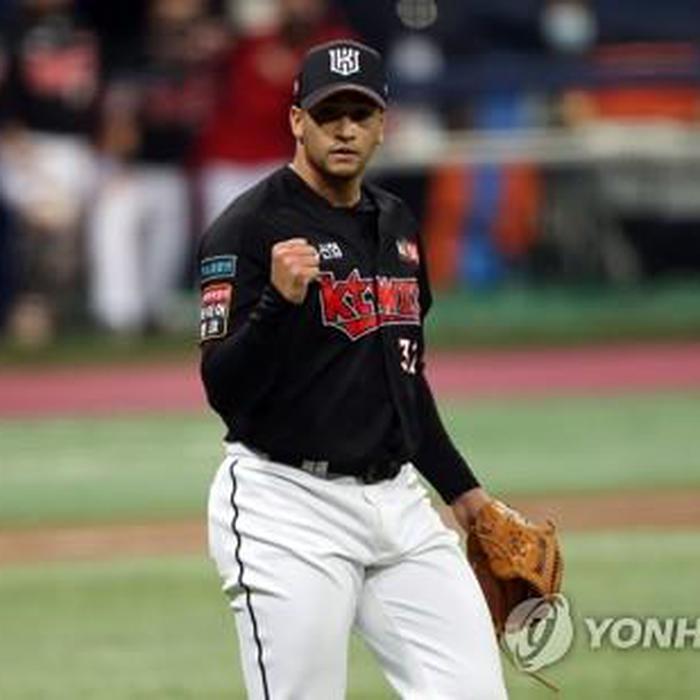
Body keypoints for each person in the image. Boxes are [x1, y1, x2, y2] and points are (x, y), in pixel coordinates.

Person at [200, 39, 508, 699]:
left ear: (381, 125)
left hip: (399, 505)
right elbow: (223, 389)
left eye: (360, 114)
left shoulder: (396, 223)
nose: (344, 129)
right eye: (328, 113)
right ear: (297, 121)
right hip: (288, 507)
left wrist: (464, 494)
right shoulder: (248, 226)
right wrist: (276, 305)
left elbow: (404, 379)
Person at [195, 0, 353, 227]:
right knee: (224, 240)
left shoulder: (332, 45)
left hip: (281, 160)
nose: (302, 7)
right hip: (227, 160)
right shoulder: (251, 39)